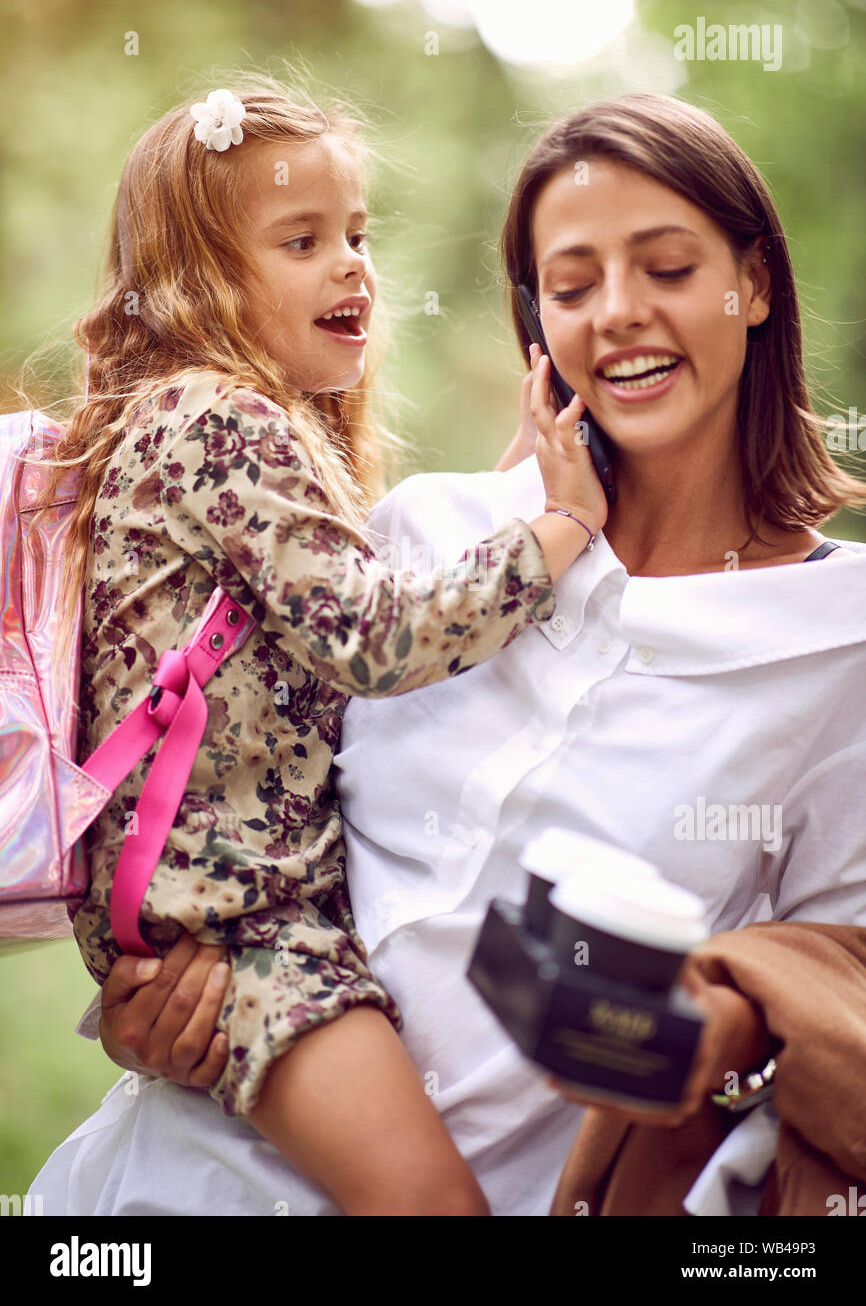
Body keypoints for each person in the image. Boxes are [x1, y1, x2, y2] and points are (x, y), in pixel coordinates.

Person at [30, 92, 866, 1218]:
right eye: (570, 287)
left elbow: (830, 1004)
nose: (616, 314)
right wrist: (144, 999)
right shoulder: (428, 537)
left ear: (752, 283)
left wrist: (696, 1035)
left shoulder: (836, 640)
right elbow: (222, 780)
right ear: (537, 324)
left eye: (666, 268)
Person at [22, 70, 609, 1219]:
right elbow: (372, 634)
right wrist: (562, 528)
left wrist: (512, 498)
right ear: (198, 282)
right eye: (301, 241)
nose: (353, 265)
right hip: (245, 933)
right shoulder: (218, 420)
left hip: (209, 915)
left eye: (355, 233)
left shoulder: (185, 425)